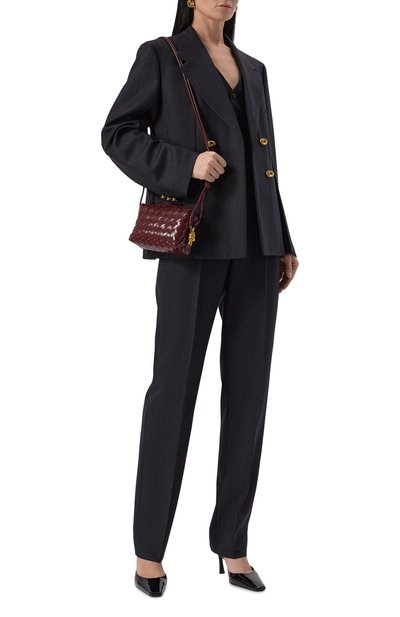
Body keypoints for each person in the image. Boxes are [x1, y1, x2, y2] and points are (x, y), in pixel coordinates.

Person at [101, 0, 299, 597]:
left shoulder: (254, 68)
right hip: (194, 243)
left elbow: (266, 162)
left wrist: (284, 240)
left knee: (249, 397)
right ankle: (149, 551)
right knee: (173, 392)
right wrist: (186, 164)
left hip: (257, 247)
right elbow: (117, 134)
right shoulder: (161, 56)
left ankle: (233, 545)